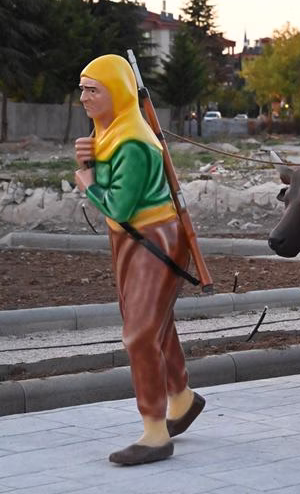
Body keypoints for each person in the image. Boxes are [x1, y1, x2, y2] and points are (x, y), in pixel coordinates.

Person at [73, 54, 205, 465]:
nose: (84, 97)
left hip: (152, 238)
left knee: (139, 334)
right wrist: (91, 161)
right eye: (82, 89)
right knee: (155, 326)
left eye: (93, 89)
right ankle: (180, 399)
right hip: (134, 241)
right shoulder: (111, 133)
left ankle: (154, 433)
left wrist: (88, 182)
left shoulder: (132, 141)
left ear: (117, 92)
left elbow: (119, 207)